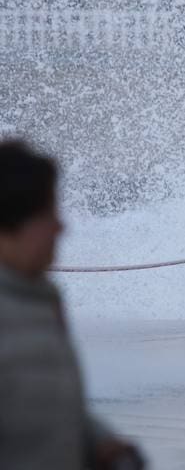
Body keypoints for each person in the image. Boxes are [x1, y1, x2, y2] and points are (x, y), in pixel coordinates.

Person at [0, 141, 144, 470]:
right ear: (9, 223)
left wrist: (101, 443)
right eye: (47, 214)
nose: (61, 227)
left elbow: (44, 404)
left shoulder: (43, 300)